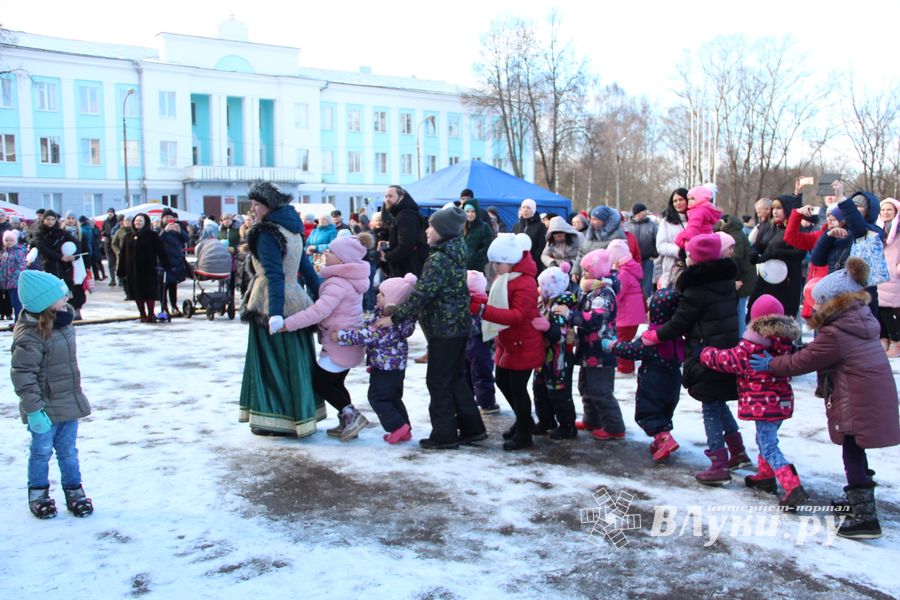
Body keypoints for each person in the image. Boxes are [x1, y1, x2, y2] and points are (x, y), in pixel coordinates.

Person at [750, 259, 900, 539]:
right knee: (857, 449)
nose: (815, 307)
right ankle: (859, 503)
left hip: (858, 400)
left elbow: (803, 361)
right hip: (871, 395)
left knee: (852, 450)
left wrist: (771, 364)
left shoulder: (836, 332)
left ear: (835, 303)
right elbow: (818, 350)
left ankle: (865, 518)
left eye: (820, 303)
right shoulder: (860, 319)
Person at [375, 205, 486, 450]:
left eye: (432, 227)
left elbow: (423, 294)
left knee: (438, 381)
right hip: (455, 326)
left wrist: (395, 316)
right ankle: (472, 428)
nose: (426, 231)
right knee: (454, 378)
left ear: (443, 231)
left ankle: (445, 434)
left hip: (444, 329)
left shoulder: (439, 259)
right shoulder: (453, 251)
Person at [642, 233, 749, 485]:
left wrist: (655, 335)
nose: (686, 257)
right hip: (725, 351)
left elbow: (680, 322)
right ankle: (738, 452)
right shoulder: (724, 282)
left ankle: (719, 463)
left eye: (690, 254)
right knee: (719, 402)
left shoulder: (697, 290)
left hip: (706, 354)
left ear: (698, 260)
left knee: (710, 408)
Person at [700, 294, 807, 509]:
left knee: (768, 446)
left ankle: (792, 485)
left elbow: (727, 359)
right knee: (764, 439)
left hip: (765, 405)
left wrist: (705, 353)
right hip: (782, 402)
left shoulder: (753, 346)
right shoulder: (785, 342)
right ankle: (765, 477)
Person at [238, 181, 322, 437]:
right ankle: (301, 416)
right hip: (296, 299)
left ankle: (276, 419)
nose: (253, 209)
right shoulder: (293, 230)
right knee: (296, 361)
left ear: (269, 206)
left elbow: (274, 274)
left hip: (269, 302)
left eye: (257, 204)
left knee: (272, 364)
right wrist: (320, 297)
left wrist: (275, 312)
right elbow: (306, 270)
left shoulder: (267, 232)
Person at [12, 270, 93, 519]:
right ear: (44, 302)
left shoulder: (63, 323)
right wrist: (34, 410)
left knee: (69, 451)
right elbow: (23, 375)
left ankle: (74, 490)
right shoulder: (30, 335)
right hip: (44, 409)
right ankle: (38, 493)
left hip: (67, 403)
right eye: (60, 295)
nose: (66, 297)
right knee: (41, 452)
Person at [280, 235, 371, 440]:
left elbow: (319, 312)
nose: (325, 254)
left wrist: (289, 324)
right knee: (336, 384)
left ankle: (352, 417)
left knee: (322, 383)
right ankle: (346, 420)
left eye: (330, 252)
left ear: (341, 259)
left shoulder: (337, 284)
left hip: (338, 342)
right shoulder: (351, 280)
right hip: (347, 340)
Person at [469, 233, 544, 450]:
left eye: (498, 263)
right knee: (502, 382)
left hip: (523, 344)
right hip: (508, 344)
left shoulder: (525, 282)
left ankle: (524, 434)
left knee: (518, 389)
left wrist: (483, 310)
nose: (495, 268)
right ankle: (524, 422)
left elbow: (517, 316)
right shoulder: (508, 278)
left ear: (510, 261)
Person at [335, 274, 418, 444]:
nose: (377, 296)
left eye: (382, 294)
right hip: (395, 368)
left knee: (377, 398)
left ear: (392, 302)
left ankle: (397, 427)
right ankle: (405, 428)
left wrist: (341, 336)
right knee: (393, 398)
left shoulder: (385, 323)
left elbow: (366, 336)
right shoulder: (395, 319)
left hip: (384, 368)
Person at [604, 289, 684, 461]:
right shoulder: (677, 336)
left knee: (650, 411)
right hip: (673, 381)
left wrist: (612, 345)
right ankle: (660, 438)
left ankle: (664, 439)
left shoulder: (652, 338)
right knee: (663, 411)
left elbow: (632, 351)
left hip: (653, 382)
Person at [563, 249, 625, 440]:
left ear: (598, 271)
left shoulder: (604, 292)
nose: (583, 274)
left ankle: (614, 427)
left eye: (587, 271)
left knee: (601, 390)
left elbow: (596, 318)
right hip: (588, 348)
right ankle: (592, 419)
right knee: (586, 387)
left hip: (601, 349)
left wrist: (570, 315)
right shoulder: (589, 289)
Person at [533, 265, 579, 440]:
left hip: (558, 359)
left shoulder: (560, 307)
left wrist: (546, 328)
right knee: (539, 389)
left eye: (541, 285)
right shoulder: (543, 302)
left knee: (559, 392)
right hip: (541, 357)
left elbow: (561, 335)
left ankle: (567, 426)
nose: (538, 289)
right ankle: (546, 420)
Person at [747, 193, 806, 322]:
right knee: (756, 315)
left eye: (779, 208)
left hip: (786, 282)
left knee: (781, 320)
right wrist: (753, 253)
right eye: (773, 208)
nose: (775, 211)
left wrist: (775, 252)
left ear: (787, 209)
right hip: (765, 278)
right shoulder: (767, 226)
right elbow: (757, 245)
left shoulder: (796, 229)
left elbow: (800, 253)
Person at [32, 210, 85, 319]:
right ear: (43, 220)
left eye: (52, 219)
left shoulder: (61, 232)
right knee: (48, 291)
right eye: (48, 219)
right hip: (46, 265)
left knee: (64, 290)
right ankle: (48, 314)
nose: (50, 222)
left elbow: (77, 244)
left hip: (63, 267)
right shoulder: (39, 233)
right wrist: (60, 257)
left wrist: (74, 255)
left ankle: (64, 312)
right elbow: (43, 248)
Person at [117, 213, 169, 323]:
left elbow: (161, 250)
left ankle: (151, 314)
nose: (137, 223)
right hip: (133, 270)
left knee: (149, 293)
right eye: (136, 221)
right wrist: (121, 269)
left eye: (140, 221)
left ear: (145, 222)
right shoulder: (129, 236)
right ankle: (142, 314)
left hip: (148, 269)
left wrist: (166, 264)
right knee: (137, 293)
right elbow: (123, 253)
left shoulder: (152, 235)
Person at [605, 239, 646, 376]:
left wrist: (608, 303)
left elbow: (618, 294)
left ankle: (625, 369)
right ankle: (626, 367)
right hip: (632, 313)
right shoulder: (629, 269)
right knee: (625, 339)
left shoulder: (624, 274)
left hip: (626, 314)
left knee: (622, 341)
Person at [465, 270, 499, 415]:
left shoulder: (463, 303)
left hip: (467, 343)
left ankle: (467, 401)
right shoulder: (486, 303)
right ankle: (487, 403)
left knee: (466, 373)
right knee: (483, 374)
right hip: (481, 343)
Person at [381, 185, 428, 278]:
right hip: (408, 268)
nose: (387, 199)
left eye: (390, 196)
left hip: (408, 270)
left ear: (401, 197)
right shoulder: (401, 214)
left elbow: (406, 245)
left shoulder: (405, 215)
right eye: (386, 196)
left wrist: (387, 257)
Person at [572, 205, 626, 281]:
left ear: (604, 220)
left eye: (595, 219)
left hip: (604, 279)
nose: (591, 222)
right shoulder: (590, 234)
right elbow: (581, 252)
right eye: (591, 219)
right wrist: (576, 270)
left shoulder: (616, 237)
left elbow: (618, 261)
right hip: (586, 276)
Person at [875, 198, 900, 356]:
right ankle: (883, 338)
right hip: (879, 273)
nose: (885, 212)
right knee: (879, 308)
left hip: (894, 274)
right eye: (883, 210)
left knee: (891, 310)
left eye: (889, 210)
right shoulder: (878, 229)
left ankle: (896, 340)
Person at [158, 208, 190, 318]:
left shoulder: (178, 228)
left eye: (171, 217)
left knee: (173, 285)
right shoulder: (159, 229)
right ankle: (164, 307)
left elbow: (186, 239)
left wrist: (180, 231)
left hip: (176, 260)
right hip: (163, 262)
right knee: (163, 286)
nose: (169, 219)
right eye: (166, 217)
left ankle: (174, 306)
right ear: (162, 219)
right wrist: (165, 231)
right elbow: (157, 241)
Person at [656, 188, 689, 289]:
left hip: (694, 268)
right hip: (672, 270)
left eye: (681, 199)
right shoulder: (666, 221)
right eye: (675, 201)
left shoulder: (696, 220)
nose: (677, 203)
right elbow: (660, 245)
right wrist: (679, 251)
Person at [627, 202, 659, 298]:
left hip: (647, 260)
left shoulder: (652, 225)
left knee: (646, 286)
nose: (645, 213)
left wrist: (654, 253)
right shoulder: (627, 226)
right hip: (631, 261)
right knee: (633, 285)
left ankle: (645, 305)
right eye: (643, 211)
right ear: (637, 213)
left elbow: (657, 240)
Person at [675, 184, 721, 249]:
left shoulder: (698, 212)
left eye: (693, 199)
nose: (690, 201)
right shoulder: (705, 210)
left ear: (701, 199)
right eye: (689, 199)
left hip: (697, 243)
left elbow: (693, 228)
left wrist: (682, 240)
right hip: (704, 240)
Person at [511, 199, 546, 274]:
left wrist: (531, 259)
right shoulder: (516, 226)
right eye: (523, 207)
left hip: (533, 263)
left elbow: (541, 246)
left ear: (533, 210)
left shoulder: (540, 226)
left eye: (528, 208)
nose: (525, 210)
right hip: (517, 263)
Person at [0, 229, 28, 321]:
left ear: (15, 241)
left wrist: (14, 278)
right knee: (13, 302)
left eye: (11, 240)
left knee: (16, 303)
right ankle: (18, 321)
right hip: (7, 283)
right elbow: (3, 268)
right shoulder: (5, 253)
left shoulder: (18, 252)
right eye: (6, 240)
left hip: (16, 282)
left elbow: (22, 266)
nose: (9, 242)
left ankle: (19, 322)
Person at [462, 198, 493, 272]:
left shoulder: (484, 227)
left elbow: (487, 246)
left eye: (473, 211)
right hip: (463, 268)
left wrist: (476, 258)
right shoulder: (462, 227)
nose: (470, 214)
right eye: (467, 211)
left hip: (477, 269)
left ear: (477, 212)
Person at [111, 216, 132, 300]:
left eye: (129, 221)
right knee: (124, 277)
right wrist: (118, 252)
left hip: (133, 257)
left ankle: (133, 293)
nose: (127, 223)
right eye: (125, 221)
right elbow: (114, 243)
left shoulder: (135, 231)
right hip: (122, 257)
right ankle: (127, 294)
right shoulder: (119, 232)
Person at [101, 208, 119, 286]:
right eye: (109, 212)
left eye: (111, 212)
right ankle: (112, 279)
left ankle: (120, 279)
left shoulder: (117, 221)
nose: (110, 213)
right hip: (108, 244)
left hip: (116, 244)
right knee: (110, 263)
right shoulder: (105, 221)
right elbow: (102, 231)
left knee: (117, 263)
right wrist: (105, 233)